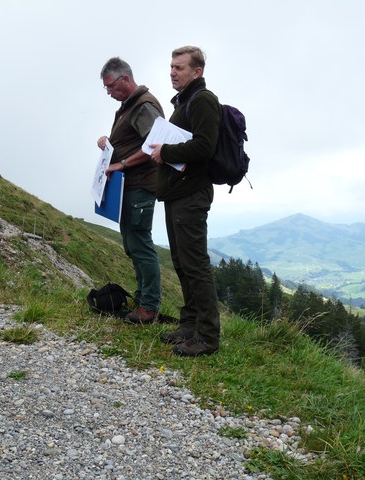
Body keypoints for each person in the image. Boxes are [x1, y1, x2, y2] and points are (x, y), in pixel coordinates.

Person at [149, 46, 221, 356]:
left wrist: (165, 152)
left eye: (179, 67)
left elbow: (205, 147)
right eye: (171, 67)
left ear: (197, 72)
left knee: (195, 264)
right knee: (182, 262)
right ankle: (189, 325)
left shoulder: (203, 100)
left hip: (192, 194)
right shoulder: (185, 102)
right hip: (177, 193)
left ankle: (207, 336)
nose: (172, 72)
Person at [97, 57, 163, 324]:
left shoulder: (144, 105)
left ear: (125, 79)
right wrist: (108, 142)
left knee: (141, 245)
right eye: (107, 89)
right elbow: (131, 140)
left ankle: (149, 306)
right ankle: (142, 298)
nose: (110, 93)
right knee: (132, 245)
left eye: (111, 86)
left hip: (141, 186)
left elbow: (156, 144)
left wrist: (121, 163)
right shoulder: (128, 105)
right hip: (129, 187)